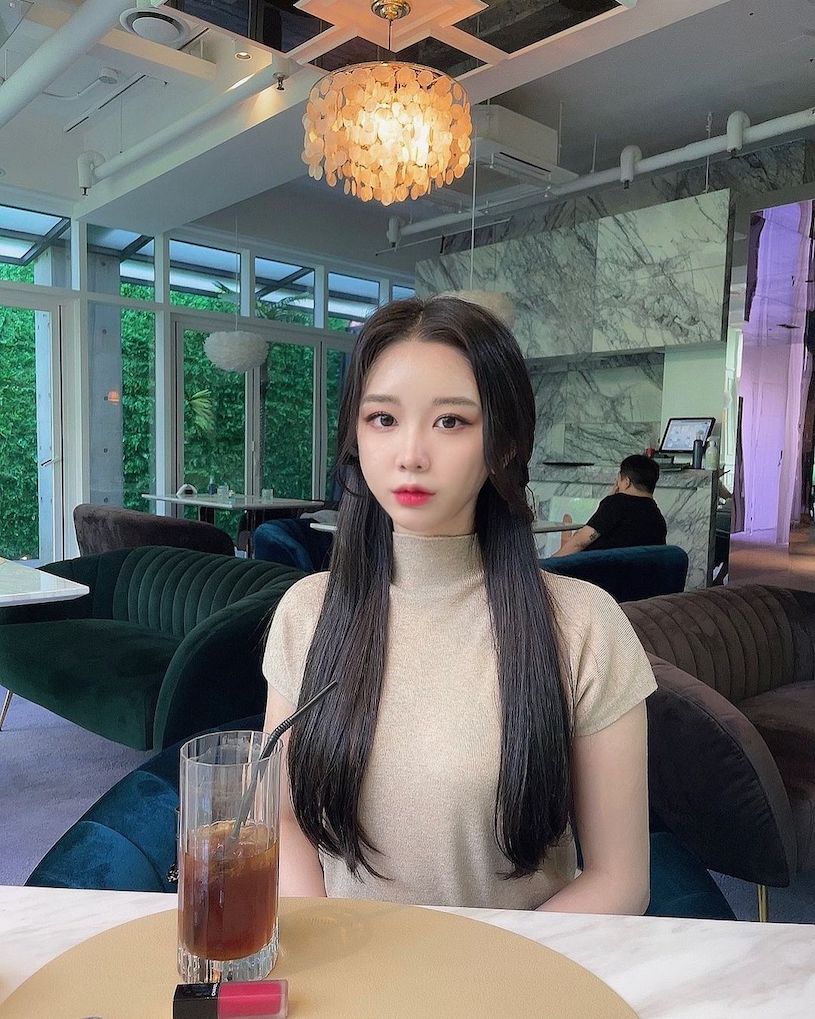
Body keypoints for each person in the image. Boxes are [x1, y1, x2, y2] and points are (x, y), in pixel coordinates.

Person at [263, 297, 656, 914]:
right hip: (345, 961)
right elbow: (284, 819)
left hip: (514, 968)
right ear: (355, 436)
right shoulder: (307, 613)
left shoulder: (584, 626)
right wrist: (327, 935)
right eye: (382, 418)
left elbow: (620, 880)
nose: (410, 454)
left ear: (504, 445)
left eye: (450, 421)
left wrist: (477, 967)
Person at [553, 455, 667, 558]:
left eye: (618, 480)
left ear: (626, 482)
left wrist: (548, 564)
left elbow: (579, 542)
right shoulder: (658, 518)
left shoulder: (616, 504)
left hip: (596, 571)